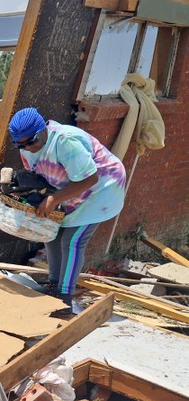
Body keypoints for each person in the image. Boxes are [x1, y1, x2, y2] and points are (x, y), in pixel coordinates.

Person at [8, 107, 126, 313]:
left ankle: (64, 296)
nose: (27, 147)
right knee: (50, 233)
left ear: (42, 129)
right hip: (70, 190)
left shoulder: (64, 141)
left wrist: (53, 199)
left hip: (101, 189)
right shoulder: (26, 148)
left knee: (71, 241)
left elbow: (90, 178)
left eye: (31, 141)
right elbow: (39, 176)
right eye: (20, 144)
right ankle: (54, 284)